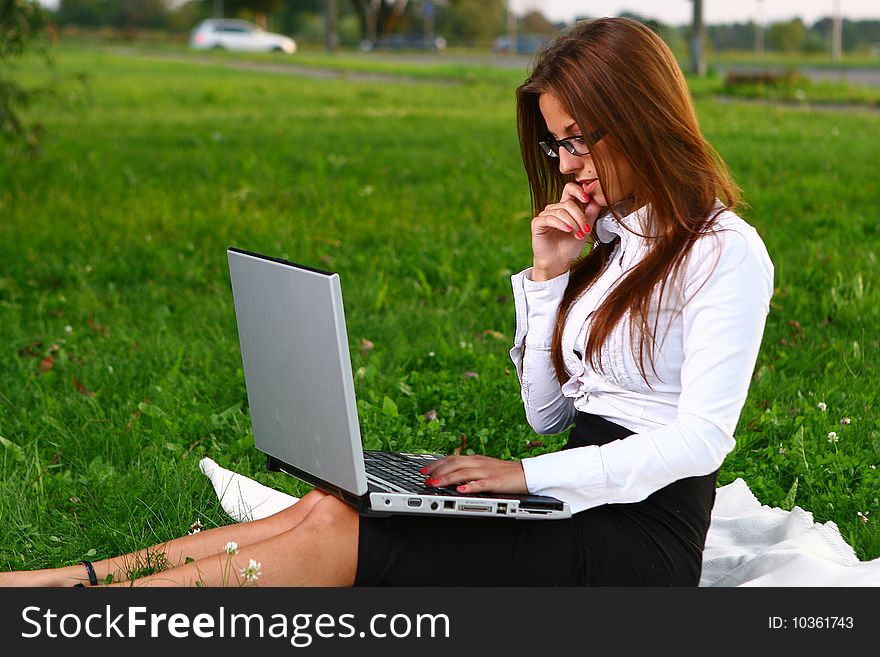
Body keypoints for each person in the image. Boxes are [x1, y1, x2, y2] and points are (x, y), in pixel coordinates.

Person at [0, 17, 772, 588]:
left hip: (637, 547)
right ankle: (73, 582)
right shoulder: (611, 243)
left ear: (639, 115)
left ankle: (80, 618)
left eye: (577, 139)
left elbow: (701, 442)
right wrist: (547, 278)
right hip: (568, 499)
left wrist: (526, 479)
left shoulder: (724, 252)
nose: (567, 164)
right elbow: (548, 415)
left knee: (346, 533)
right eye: (556, 143)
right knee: (330, 503)